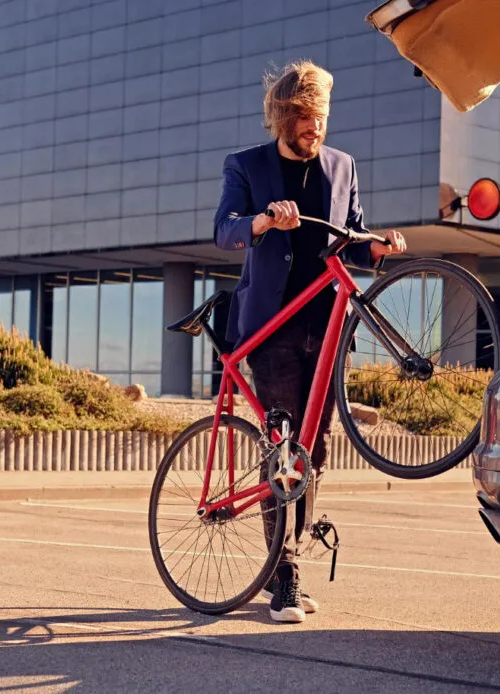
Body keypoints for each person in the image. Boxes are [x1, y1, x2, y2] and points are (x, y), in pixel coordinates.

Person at [212, 60, 407, 623]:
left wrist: (378, 245)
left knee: (314, 453)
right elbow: (224, 229)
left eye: (319, 115)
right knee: (284, 448)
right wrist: (262, 222)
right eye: (303, 116)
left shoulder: (342, 165)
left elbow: (353, 233)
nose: (314, 126)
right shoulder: (247, 165)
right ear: (282, 116)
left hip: (325, 327)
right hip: (272, 326)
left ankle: (290, 556)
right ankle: (285, 579)